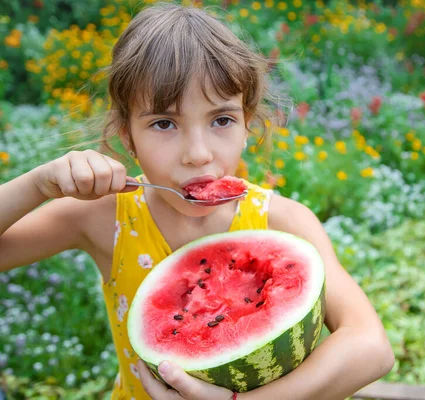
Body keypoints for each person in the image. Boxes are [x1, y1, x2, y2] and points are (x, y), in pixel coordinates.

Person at [0, 3, 394, 399]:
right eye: (164, 123)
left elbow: (371, 348)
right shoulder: (104, 216)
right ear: (127, 136)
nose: (198, 153)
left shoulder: (284, 222)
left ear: (246, 124)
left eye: (221, 120)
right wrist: (38, 185)